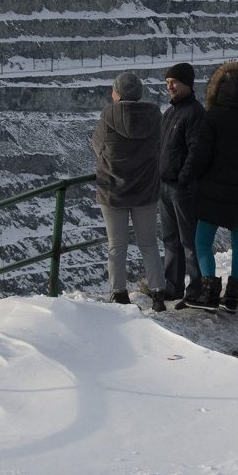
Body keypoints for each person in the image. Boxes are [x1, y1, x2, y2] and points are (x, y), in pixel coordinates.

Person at [180, 59, 238, 312]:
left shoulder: (213, 117)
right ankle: (232, 296)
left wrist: (188, 177)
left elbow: (200, 155)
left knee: (203, 240)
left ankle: (210, 293)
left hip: (213, 190)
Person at [89, 71, 164, 309]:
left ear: (118, 93)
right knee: (149, 244)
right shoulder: (155, 117)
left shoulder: (107, 117)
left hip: (113, 190)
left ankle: (118, 293)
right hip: (145, 191)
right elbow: (160, 147)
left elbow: (98, 147)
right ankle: (158, 293)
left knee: (116, 245)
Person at [154, 61, 204, 306]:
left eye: (174, 82)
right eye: (167, 83)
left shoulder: (194, 113)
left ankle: (196, 288)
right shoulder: (170, 112)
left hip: (182, 188)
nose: (170, 87)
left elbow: (197, 151)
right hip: (165, 186)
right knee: (170, 239)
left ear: (187, 84)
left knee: (189, 241)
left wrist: (184, 178)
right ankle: (173, 286)